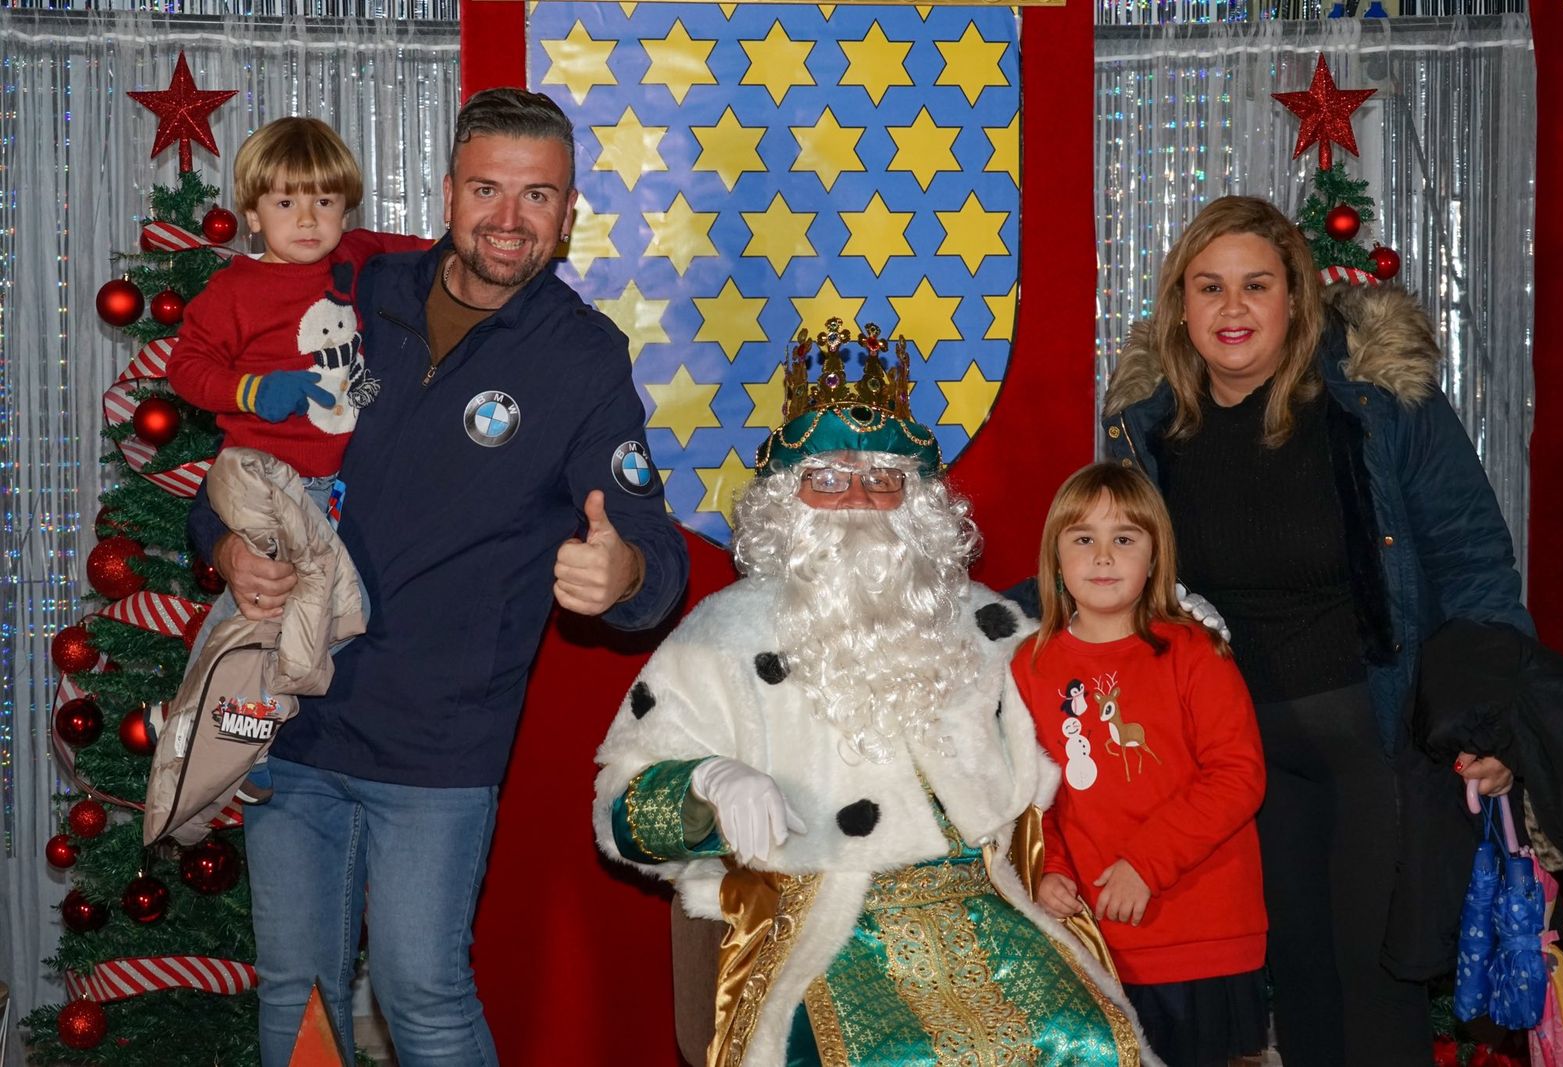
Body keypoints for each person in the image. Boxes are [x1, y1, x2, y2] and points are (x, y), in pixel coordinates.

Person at [193, 89, 688, 1066]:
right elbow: (239, 461)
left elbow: (649, 549)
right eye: (488, 189)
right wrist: (225, 544)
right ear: (447, 192)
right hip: (291, 714)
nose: (509, 218)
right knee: (299, 996)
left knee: (422, 989)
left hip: (438, 745)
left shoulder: (583, 358)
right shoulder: (350, 291)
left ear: (570, 210)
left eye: (537, 195)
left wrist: (620, 567)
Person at [593, 322, 1155, 1067]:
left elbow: (1087, 731)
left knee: (1090, 1042)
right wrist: (706, 781)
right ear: (787, 502)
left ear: (916, 501)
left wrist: (1171, 633)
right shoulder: (722, 636)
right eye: (826, 478)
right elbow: (622, 804)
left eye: (882, 477)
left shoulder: (989, 625)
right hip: (823, 915)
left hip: (990, 907)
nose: (857, 498)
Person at [1096, 195, 1533, 1065]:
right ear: (1179, 304)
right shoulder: (1149, 429)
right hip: (1240, 762)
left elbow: (1475, 562)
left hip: (1371, 741)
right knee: (1293, 980)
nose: (1232, 309)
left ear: (1296, 297)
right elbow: (1103, 576)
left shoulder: (1379, 403)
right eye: (1209, 286)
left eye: (1256, 285)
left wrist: (1491, 718)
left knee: (1373, 984)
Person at [1013, 462, 1268, 1067]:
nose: (1103, 557)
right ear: (1056, 558)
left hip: (1198, 932)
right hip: (1095, 939)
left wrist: (1145, 866)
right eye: (1083, 539)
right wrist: (1047, 869)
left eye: (1124, 539)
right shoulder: (1028, 664)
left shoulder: (1194, 651)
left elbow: (1237, 775)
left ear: (1155, 559)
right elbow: (1031, 791)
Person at [167, 116, 433, 645]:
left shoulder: (353, 256)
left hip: (335, 482)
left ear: (345, 208)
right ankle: (207, 703)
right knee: (262, 604)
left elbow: (426, 250)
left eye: (326, 203)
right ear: (253, 215)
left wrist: (458, 248)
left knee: (325, 614)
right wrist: (252, 390)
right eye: (286, 204)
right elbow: (186, 368)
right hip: (265, 477)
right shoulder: (235, 291)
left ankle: (264, 702)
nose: (308, 220)